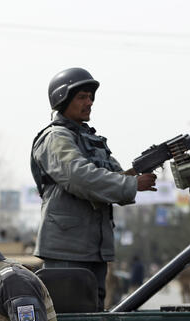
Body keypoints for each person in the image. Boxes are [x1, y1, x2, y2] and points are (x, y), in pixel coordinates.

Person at [31, 67, 157, 308]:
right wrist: (130, 183)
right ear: (62, 99)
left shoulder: (90, 139)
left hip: (93, 249)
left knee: (92, 317)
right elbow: (78, 177)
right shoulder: (56, 137)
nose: (89, 103)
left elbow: (111, 176)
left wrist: (137, 172)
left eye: (91, 97)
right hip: (66, 251)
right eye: (82, 97)